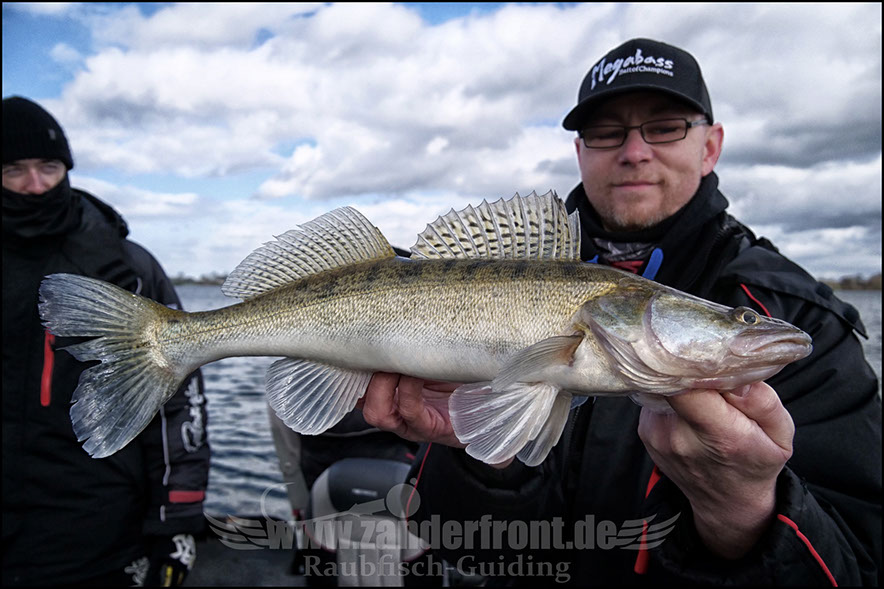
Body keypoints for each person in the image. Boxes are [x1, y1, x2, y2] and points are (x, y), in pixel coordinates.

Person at [358, 39, 882, 585]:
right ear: (580, 152)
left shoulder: (802, 316)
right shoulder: (518, 262)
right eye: (608, 132)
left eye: (664, 126)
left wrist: (743, 514)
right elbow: (470, 552)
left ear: (711, 146)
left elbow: (861, 567)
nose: (634, 151)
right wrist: (487, 457)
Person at [2, 96, 211, 587]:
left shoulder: (127, 268)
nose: (35, 185)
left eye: (48, 167)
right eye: (13, 170)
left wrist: (177, 518)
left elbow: (178, 402)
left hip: (100, 530)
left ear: (67, 169)